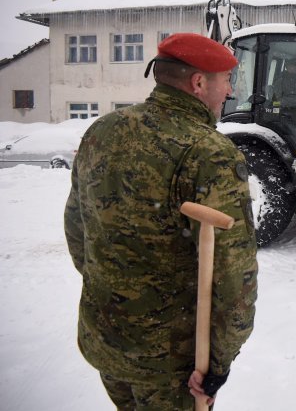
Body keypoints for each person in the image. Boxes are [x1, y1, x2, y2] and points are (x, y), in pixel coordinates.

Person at [64, 32, 258, 410]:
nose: (230, 91)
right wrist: (217, 363)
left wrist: (116, 293)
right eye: (226, 80)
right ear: (199, 83)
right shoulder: (208, 152)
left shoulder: (102, 131)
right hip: (173, 364)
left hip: (107, 340)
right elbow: (235, 276)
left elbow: (78, 228)